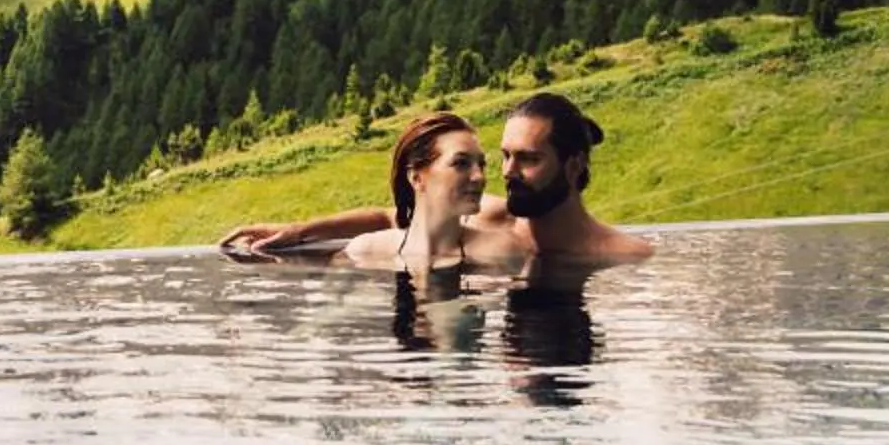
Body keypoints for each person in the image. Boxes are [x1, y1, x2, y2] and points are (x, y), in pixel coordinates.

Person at [218, 91, 655, 266]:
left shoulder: (623, 256)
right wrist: (296, 232)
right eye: (504, 157)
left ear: (574, 166)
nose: (505, 173)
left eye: (528, 159)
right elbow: (393, 215)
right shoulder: (495, 220)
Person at [337, 112, 486, 274]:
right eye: (461, 163)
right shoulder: (363, 252)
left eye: (481, 164)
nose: (480, 176)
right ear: (416, 178)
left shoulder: (499, 252)